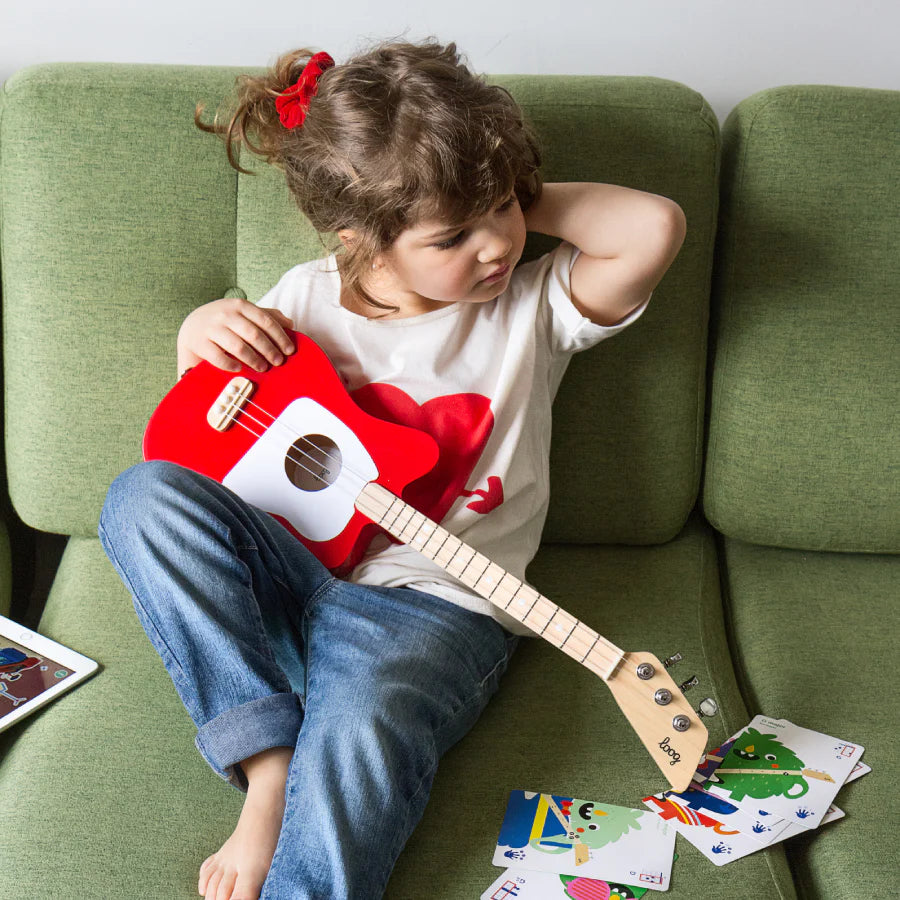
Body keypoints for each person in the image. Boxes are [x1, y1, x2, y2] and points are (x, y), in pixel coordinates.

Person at [98, 36, 686, 900]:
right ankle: (267, 768)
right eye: (454, 235)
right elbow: (210, 448)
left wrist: (486, 186)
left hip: (432, 606)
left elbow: (653, 227)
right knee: (140, 496)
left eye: (504, 211)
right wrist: (198, 341)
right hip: (291, 572)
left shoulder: (531, 305)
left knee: (367, 723)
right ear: (364, 240)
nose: (494, 245)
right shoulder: (298, 300)